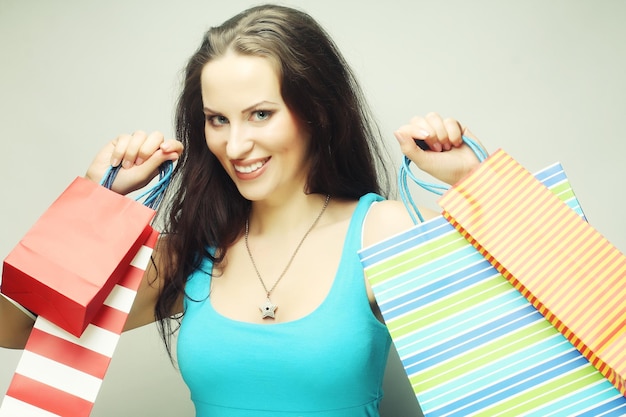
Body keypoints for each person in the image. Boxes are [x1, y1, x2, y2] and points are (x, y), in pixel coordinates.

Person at [0, 4, 483, 416]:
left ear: (316, 111)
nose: (235, 145)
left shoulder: (381, 231)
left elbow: (521, 341)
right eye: (217, 120)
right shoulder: (189, 252)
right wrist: (93, 199)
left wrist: (471, 181)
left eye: (260, 114)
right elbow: (20, 329)